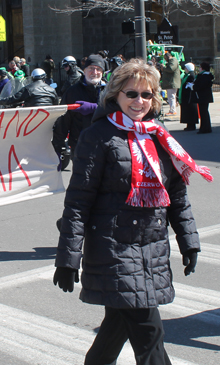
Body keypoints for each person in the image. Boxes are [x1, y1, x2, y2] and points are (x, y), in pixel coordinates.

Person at [53, 58, 212, 365]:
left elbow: (176, 195)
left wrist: (188, 240)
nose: (139, 101)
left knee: (115, 327)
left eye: (147, 94)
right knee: (148, 332)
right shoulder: (97, 136)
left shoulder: (159, 134)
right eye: (132, 94)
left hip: (151, 248)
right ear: (115, 95)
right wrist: (67, 259)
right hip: (113, 249)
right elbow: (77, 203)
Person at [53, 54, 106, 158]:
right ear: (84, 70)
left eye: (98, 69)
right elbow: (63, 120)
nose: (94, 72)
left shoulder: (110, 91)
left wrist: (94, 107)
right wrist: (57, 147)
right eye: (91, 68)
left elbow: (119, 110)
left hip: (105, 144)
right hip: (80, 145)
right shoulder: (72, 92)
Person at [193, 61, 214, 134]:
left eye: (200, 67)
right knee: (204, 112)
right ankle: (206, 127)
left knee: (203, 113)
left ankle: (204, 128)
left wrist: (193, 87)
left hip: (203, 96)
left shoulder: (204, 76)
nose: (199, 69)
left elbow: (200, 86)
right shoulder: (206, 76)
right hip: (205, 96)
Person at [178, 62, 199, 131]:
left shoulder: (191, 75)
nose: (185, 69)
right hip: (186, 97)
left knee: (191, 111)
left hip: (190, 97)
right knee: (187, 111)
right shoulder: (187, 75)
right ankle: (189, 124)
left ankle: (191, 125)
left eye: (186, 68)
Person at [159, 52, 181, 116]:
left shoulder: (173, 60)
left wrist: (164, 68)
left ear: (168, 56)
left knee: (171, 97)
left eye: (165, 58)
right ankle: (172, 109)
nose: (165, 59)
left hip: (172, 82)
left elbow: (171, 69)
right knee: (171, 97)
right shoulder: (172, 61)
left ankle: (172, 110)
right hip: (171, 83)